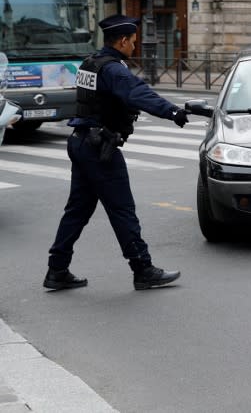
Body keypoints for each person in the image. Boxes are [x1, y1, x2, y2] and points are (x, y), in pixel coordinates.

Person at [44, 15, 187, 292]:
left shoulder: (91, 62)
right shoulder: (114, 70)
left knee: (77, 210)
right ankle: (142, 268)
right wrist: (174, 112)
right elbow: (139, 93)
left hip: (82, 142)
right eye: (133, 42)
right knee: (123, 209)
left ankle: (57, 269)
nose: (135, 47)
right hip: (100, 148)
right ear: (122, 41)